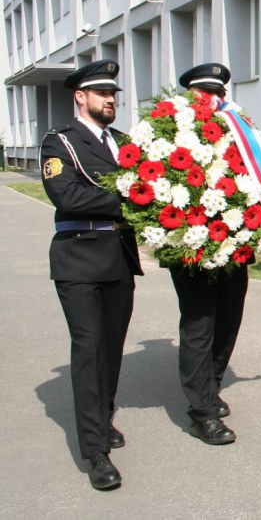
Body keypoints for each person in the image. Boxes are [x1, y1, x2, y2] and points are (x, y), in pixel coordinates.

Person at [41, 60, 143, 490]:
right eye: (102, 94)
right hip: (79, 258)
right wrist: (128, 201)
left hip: (118, 257)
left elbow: (145, 185)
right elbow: (65, 193)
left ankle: (102, 419)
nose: (110, 101)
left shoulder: (122, 143)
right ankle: (94, 450)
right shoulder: (59, 141)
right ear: (80, 97)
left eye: (114, 95)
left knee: (112, 349)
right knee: (88, 349)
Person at [171, 63, 248, 445]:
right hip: (191, 247)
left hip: (234, 245)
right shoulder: (171, 131)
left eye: (218, 94)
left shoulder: (237, 131)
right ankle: (200, 411)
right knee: (200, 324)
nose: (213, 101)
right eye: (205, 94)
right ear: (190, 96)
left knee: (229, 318)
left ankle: (211, 385)